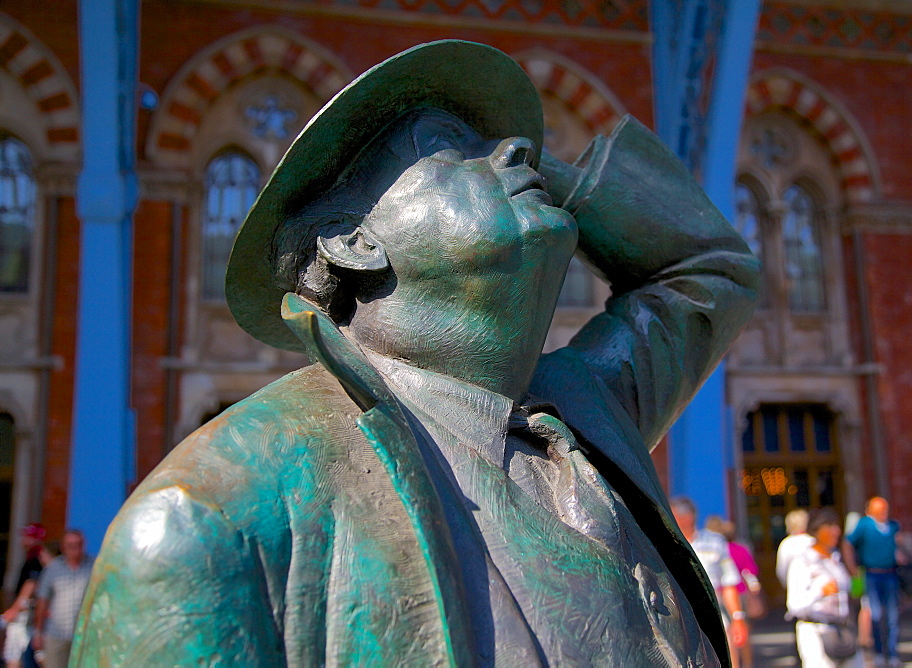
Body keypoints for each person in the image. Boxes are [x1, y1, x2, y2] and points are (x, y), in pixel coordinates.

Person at [72, 41, 760, 666]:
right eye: (451, 146)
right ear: (353, 243)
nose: (516, 149)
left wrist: (531, 169)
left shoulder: (589, 409)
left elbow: (710, 272)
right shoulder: (218, 519)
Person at [672, 501, 749, 668]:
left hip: (714, 613)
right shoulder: (666, 542)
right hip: (678, 615)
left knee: (726, 659)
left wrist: (737, 618)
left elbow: (729, 582)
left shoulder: (715, 542)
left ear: (687, 517)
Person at [785, 508, 863, 668]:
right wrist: (820, 591)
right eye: (830, 526)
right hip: (815, 630)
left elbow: (849, 590)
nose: (836, 531)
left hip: (843, 629)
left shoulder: (835, 559)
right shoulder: (802, 561)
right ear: (816, 530)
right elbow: (794, 605)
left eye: (837, 526)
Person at [845, 496, 903, 667]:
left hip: (890, 573)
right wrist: (852, 568)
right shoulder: (864, 525)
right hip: (872, 574)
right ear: (870, 511)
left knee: (893, 616)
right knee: (876, 614)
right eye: (879, 510)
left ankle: (892, 653)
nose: (883, 513)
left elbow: (898, 546)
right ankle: (878, 652)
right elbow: (847, 543)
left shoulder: (893, 525)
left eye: (885, 509)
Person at [33, 530, 92, 668]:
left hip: (84, 636)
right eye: (70, 545)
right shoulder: (53, 568)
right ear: (63, 547)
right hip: (57, 634)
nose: (75, 549)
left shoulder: (93, 566)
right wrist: (38, 632)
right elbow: (42, 600)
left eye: (78, 545)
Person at [707, 515, 761, 668]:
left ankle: (733, 664)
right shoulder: (740, 549)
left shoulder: (716, 551)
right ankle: (748, 664)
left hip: (721, 595)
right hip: (739, 594)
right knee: (743, 634)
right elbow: (750, 571)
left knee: (727, 636)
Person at [1, 524, 47, 668]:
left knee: (14, 655)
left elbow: (30, 585)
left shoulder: (37, 558)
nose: (24, 540)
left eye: (28, 537)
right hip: (25, 617)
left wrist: (14, 610)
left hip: (24, 617)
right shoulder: (32, 557)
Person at [777, 509, 814, 588]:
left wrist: (788, 585)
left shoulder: (786, 544)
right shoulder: (813, 541)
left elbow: (781, 570)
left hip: (795, 587)